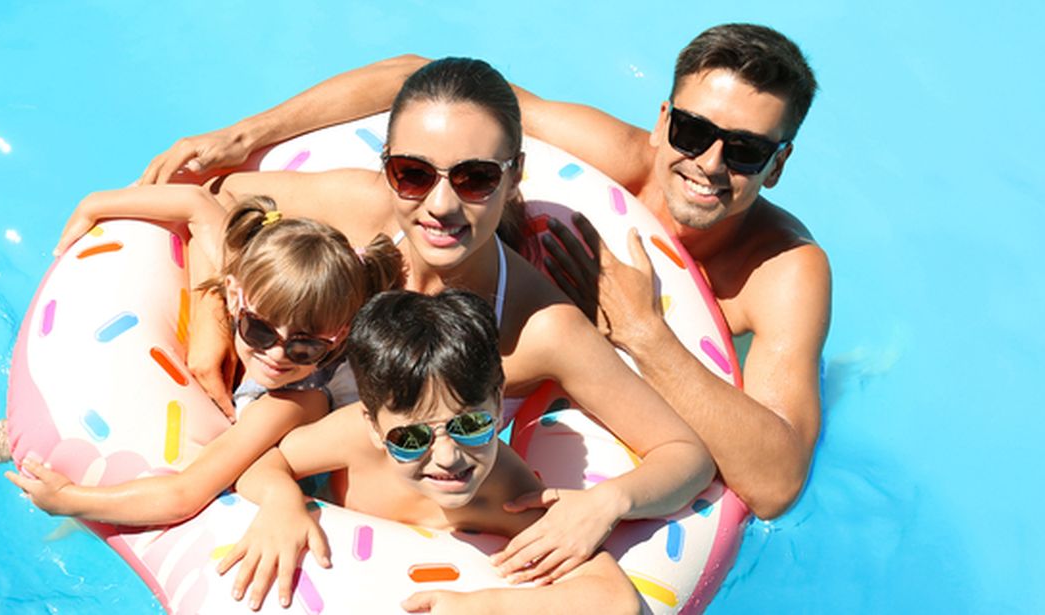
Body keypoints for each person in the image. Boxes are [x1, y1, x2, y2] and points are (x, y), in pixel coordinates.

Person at [143, 24, 828, 522]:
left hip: (637, 357)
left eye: (743, 150)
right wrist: (249, 135)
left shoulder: (781, 270)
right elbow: (428, 82)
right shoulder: (600, 159)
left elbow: (772, 482)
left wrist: (645, 331)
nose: (708, 163)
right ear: (664, 121)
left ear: (779, 161)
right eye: (691, 133)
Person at [165, 57, 713, 601]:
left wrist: (606, 503)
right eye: (414, 174)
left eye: (476, 178)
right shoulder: (364, 213)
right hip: (285, 454)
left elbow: (684, 454)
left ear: (514, 174)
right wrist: (213, 329)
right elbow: (221, 199)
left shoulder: (539, 327)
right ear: (389, 170)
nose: (441, 205)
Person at [0, 186, 405, 526]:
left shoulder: (295, 400)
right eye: (258, 330)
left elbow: (185, 494)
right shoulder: (255, 285)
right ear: (235, 295)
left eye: (305, 344)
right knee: (35, 427)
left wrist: (73, 502)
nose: (276, 353)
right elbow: (199, 206)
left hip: (293, 460)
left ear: (338, 339)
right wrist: (94, 205)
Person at [229, 289, 643, 614]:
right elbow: (264, 462)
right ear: (375, 427)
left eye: (470, 426)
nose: (448, 457)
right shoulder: (354, 436)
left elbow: (614, 598)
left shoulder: (508, 495)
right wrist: (281, 501)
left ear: (498, 407)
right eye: (411, 440)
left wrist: (486, 606)